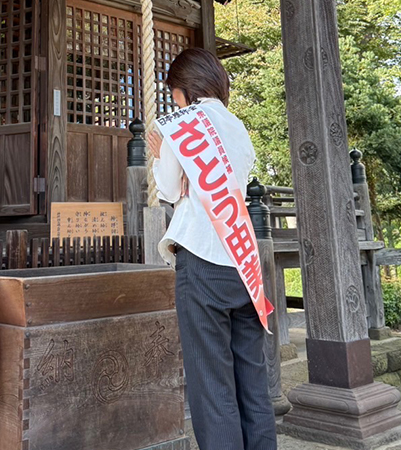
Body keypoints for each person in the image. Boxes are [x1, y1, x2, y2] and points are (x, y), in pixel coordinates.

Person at [147, 48, 277, 450]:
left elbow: (168, 190)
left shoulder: (182, 123)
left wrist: (159, 156)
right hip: (243, 261)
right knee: (251, 378)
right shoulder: (237, 125)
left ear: (184, 89)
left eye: (174, 95)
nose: (175, 102)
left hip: (201, 258)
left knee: (212, 382)